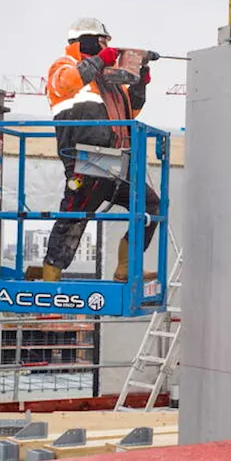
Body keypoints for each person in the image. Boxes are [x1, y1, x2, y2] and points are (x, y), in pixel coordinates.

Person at [38, 17, 160, 283]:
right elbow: (68, 82)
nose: (108, 47)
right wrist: (102, 59)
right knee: (74, 215)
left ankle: (127, 267)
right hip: (85, 156)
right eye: (103, 41)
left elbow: (131, 111)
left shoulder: (106, 79)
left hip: (115, 160)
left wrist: (140, 82)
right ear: (87, 40)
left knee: (150, 205)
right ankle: (50, 277)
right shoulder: (64, 66)